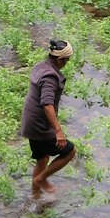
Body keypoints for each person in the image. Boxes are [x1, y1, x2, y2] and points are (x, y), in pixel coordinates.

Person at [20, 38, 76, 194]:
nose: (66, 63)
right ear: (60, 59)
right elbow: (46, 103)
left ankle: (35, 196)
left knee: (43, 158)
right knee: (69, 151)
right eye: (66, 61)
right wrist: (58, 131)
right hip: (39, 125)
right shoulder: (50, 76)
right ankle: (41, 179)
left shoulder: (40, 66)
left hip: (30, 121)